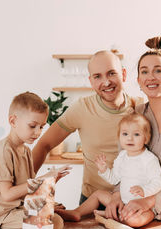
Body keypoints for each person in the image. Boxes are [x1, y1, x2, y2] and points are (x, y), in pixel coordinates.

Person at [104, 35, 161, 223]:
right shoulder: (135, 115)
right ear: (139, 81)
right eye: (144, 72)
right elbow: (124, 160)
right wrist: (116, 195)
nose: (151, 77)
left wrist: (150, 201)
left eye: (158, 71)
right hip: (132, 206)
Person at [33, 50, 143, 207]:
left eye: (111, 73)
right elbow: (44, 144)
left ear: (123, 74)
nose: (106, 82)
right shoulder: (82, 108)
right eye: (98, 76)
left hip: (132, 201)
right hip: (93, 202)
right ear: (91, 81)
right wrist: (25, 187)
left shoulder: (140, 107)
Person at [0, 92, 71, 229]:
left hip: (22, 207)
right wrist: (42, 179)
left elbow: (28, 189)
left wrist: (50, 181)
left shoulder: (26, 151)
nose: (38, 132)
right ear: (13, 121)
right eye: (32, 126)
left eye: (41, 127)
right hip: (6, 216)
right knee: (56, 222)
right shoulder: (2, 152)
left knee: (58, 211)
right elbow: (7, 195)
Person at [56, 113, 161, 227]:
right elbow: (114, 179)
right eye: (125, 134)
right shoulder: (122, 157)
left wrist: (144, 190)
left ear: (146, 138)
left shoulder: (149, 159)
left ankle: (112, 216)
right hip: (122, 201)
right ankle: (77, 212)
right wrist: (104, 170)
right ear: (119, 137)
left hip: (142, 205)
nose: (130, 138)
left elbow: (159, 181)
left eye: (136, 134)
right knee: (98, 194)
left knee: (134, 220)